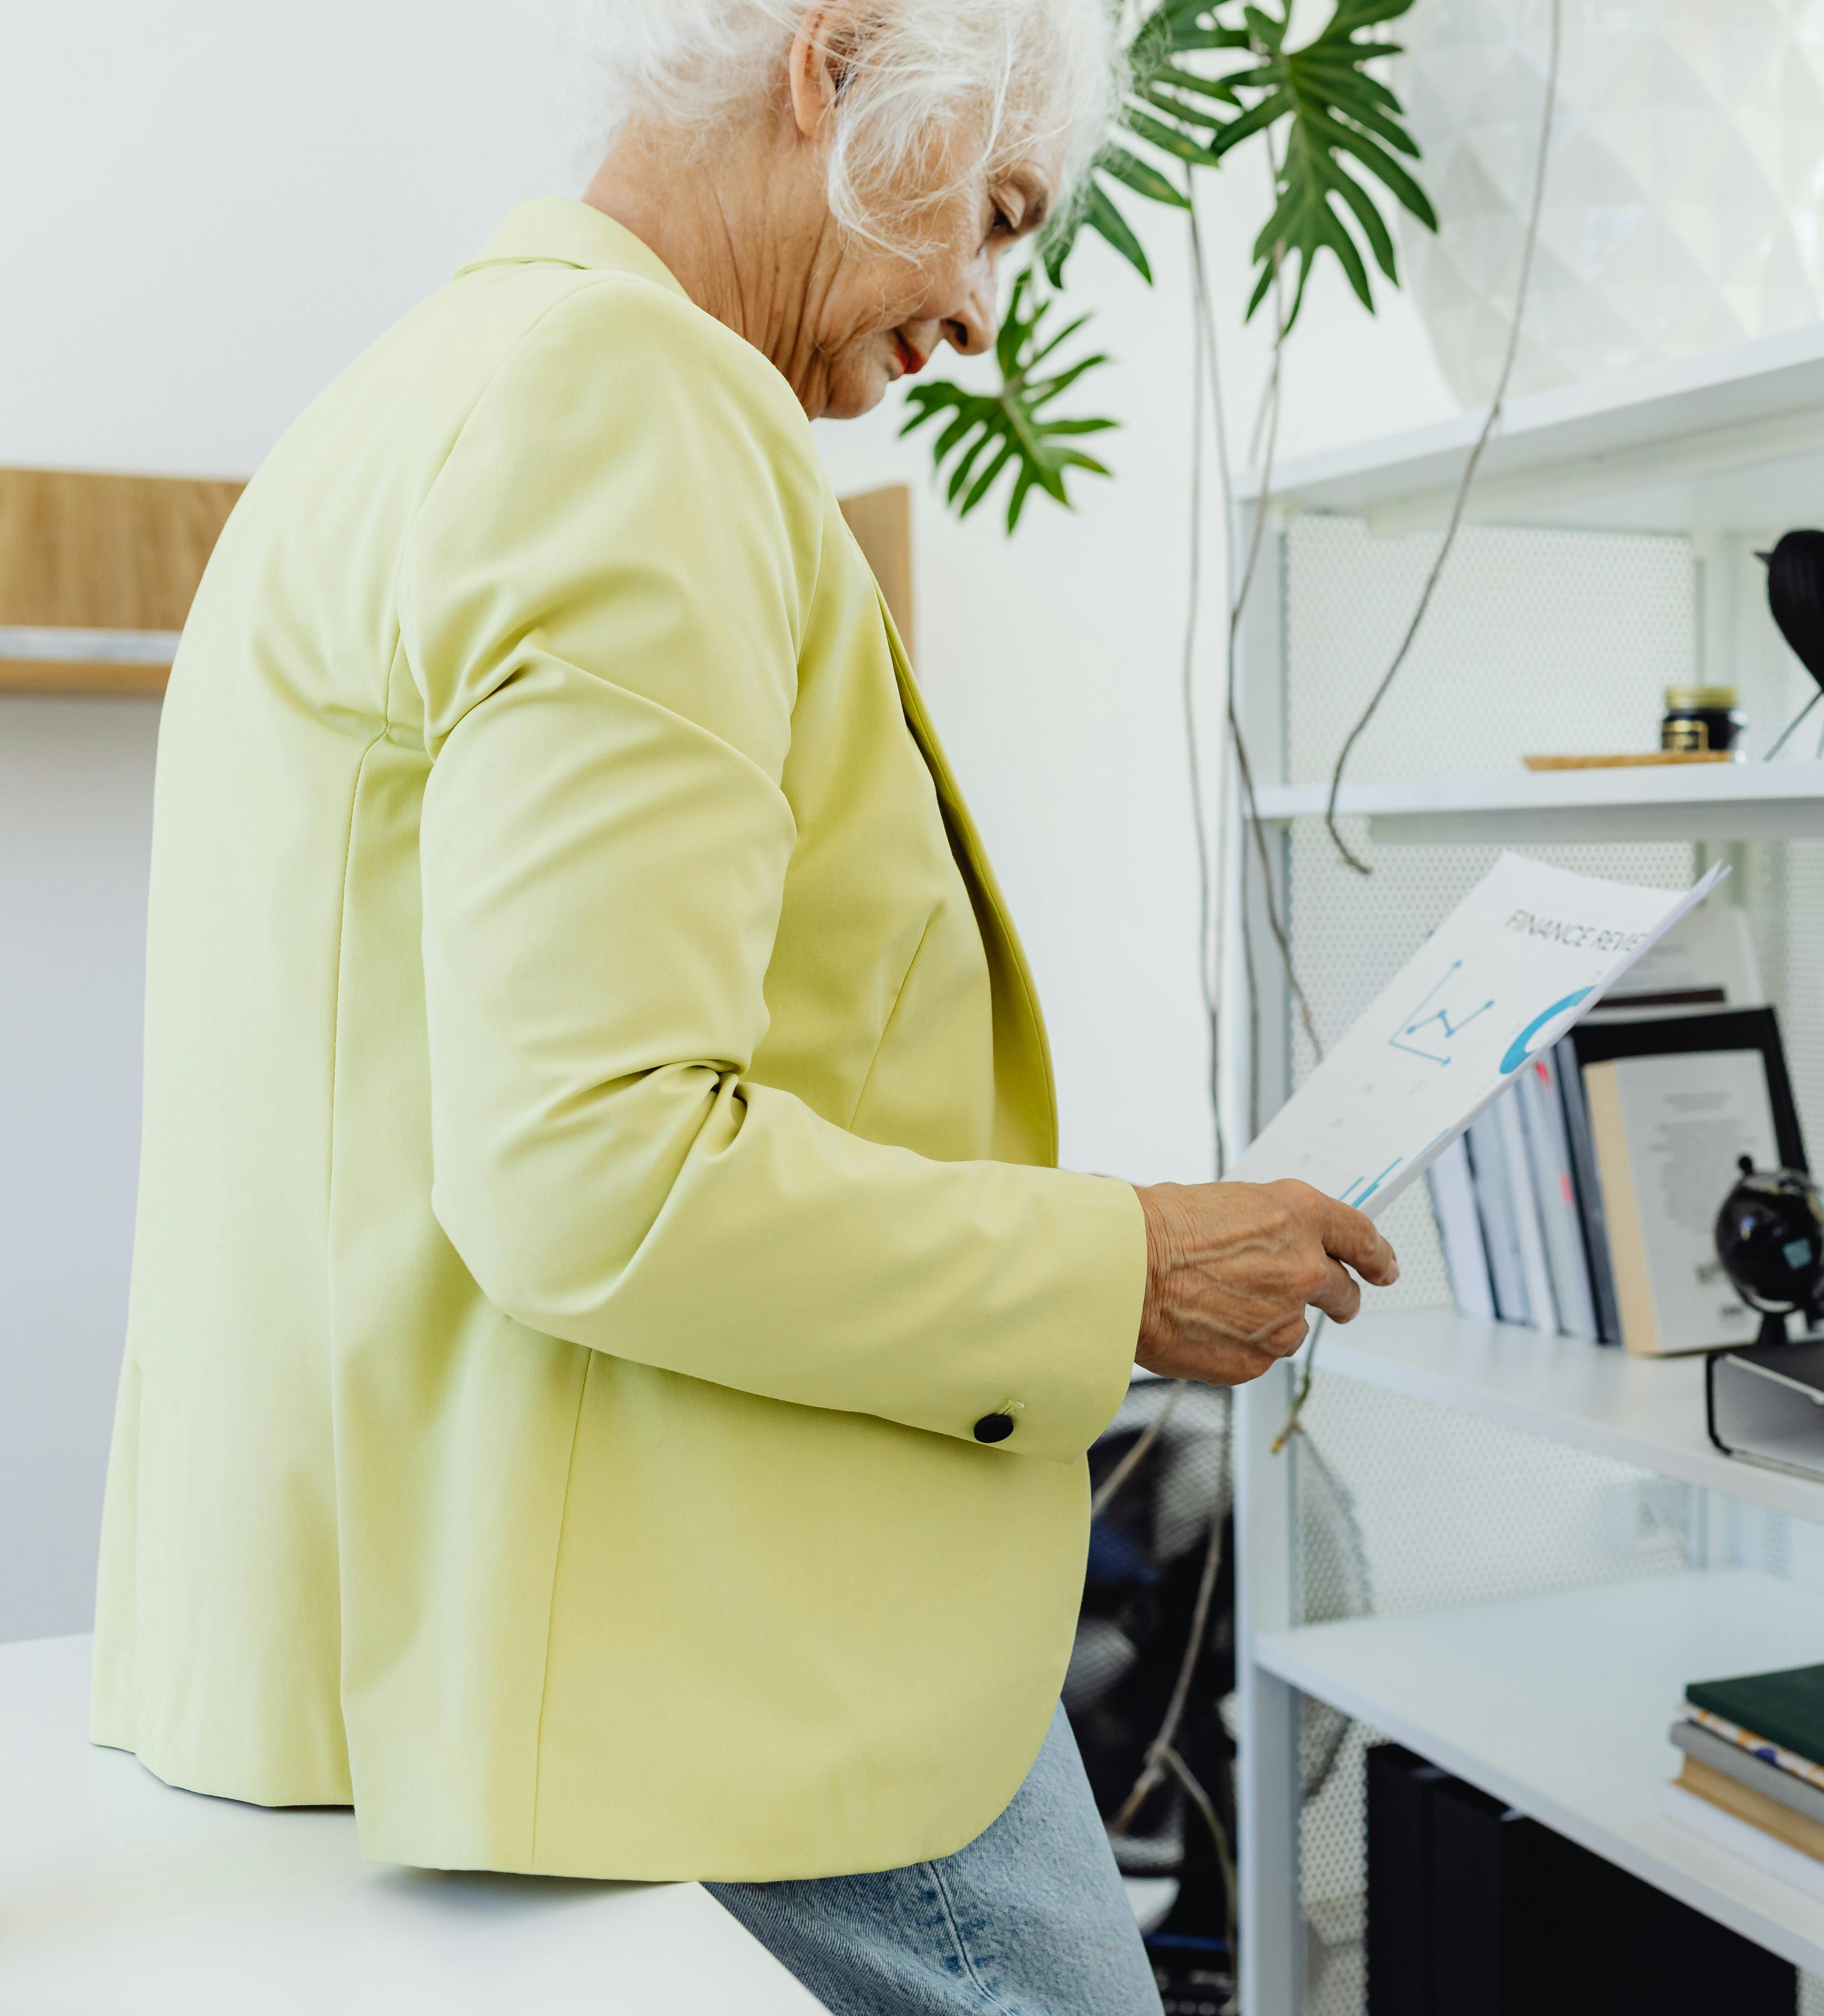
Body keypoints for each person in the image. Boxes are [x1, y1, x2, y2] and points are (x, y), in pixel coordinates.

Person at [87, 1, 1395, 2008]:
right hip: (674, 1665)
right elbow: (592, 1163)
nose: (979, 312)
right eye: (1004, 214)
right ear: (837, 67)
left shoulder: (414, 395)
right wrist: (1117, 1267)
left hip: (376, 1631)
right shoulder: (633, 405)